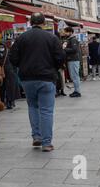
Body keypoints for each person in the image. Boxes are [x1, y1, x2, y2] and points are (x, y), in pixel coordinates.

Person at [10, 13, 66, 152]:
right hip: (46, 77)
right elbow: (60, 57)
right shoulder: (51, 38)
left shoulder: (21, 38)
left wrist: (22, 65)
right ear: (43, 23)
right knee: (46, 110)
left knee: (33, 107)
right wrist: (54, 68)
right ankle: (47, 143)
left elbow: (12, 57)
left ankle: (36, 137)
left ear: (30, 23)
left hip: (27, 79)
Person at [0, 41, 21, 109]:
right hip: (1, 74)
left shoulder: (7, 52)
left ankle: (9, 102)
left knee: (9, 88)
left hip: (9, 73)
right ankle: (3, 102)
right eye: (0, 46)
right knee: (2, 89)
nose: (1, 48)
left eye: (2, 46)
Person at [63, 27, 82, 97]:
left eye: (66, 32)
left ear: (70, 32)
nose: (65, 33)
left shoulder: (73, 39)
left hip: (73, 60)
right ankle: (76, 90)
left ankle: (77, 91)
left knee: (75, 76)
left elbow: (74, 50)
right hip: (71, 59)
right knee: (73, 76)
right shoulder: (69, 39)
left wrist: (65, 49)